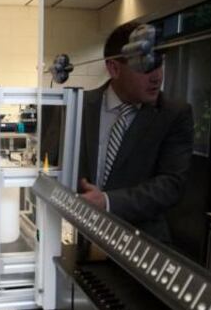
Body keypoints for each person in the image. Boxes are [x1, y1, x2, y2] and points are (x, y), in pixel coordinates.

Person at [77, 22, 195, 243]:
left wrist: (108, 202)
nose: (157, 76)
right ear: (114, 68)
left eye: (159, 63)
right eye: (145, 65)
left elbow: (171, 185)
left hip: (139, 245)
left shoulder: (173, 114)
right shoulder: (77, 106)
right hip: (79, 239)